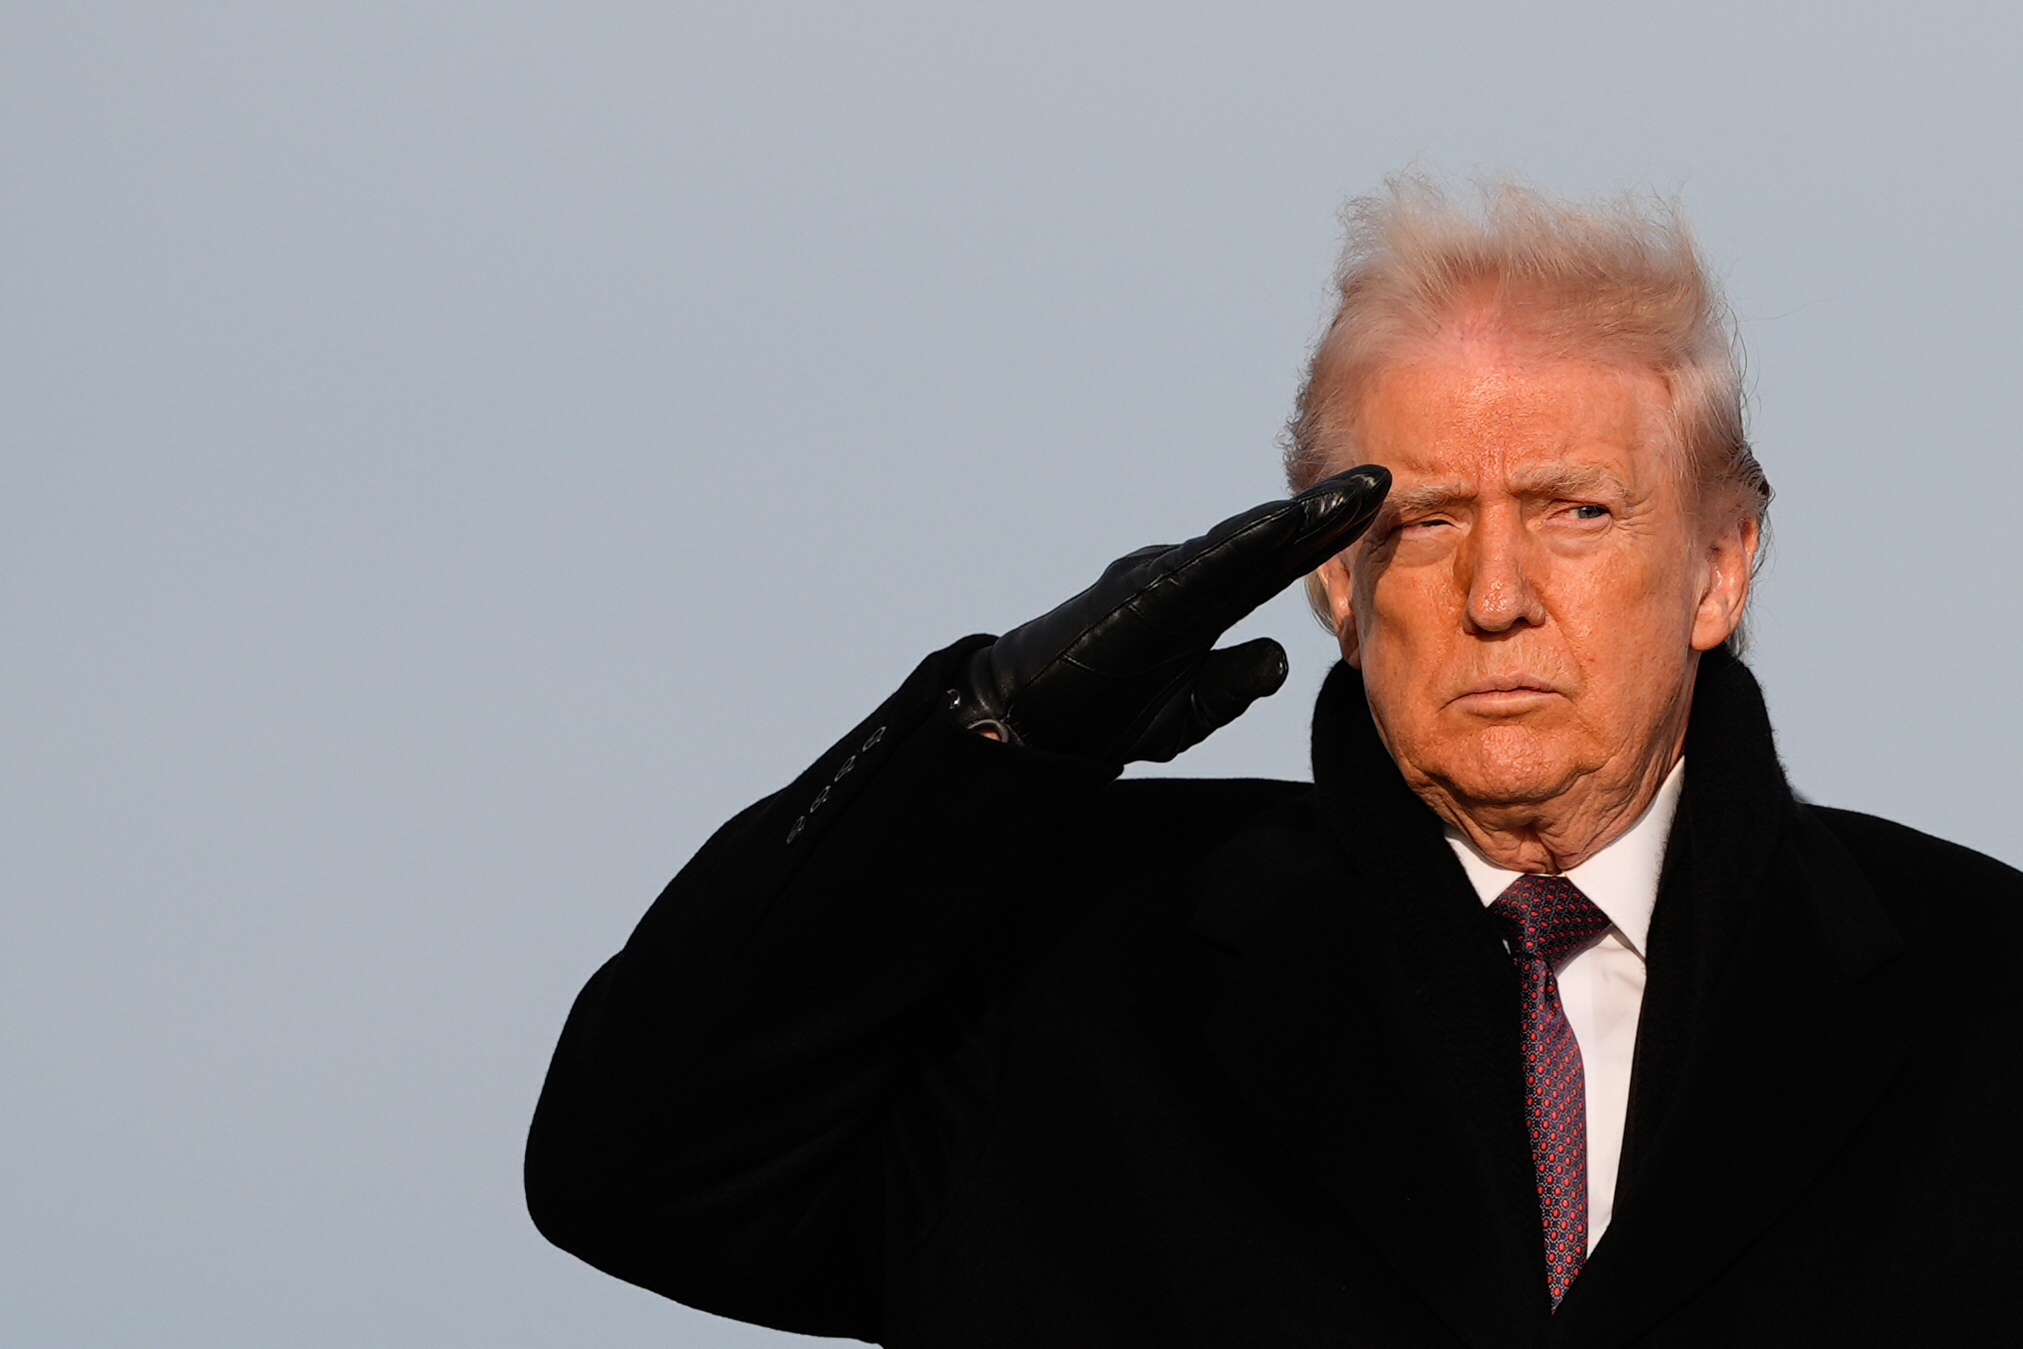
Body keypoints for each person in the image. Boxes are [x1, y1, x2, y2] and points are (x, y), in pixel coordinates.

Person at [525, 178, 2023, 1345]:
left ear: (1723, 559)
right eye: (1423, 520)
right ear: (1328, 581)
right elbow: (633, 1170)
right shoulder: (1068, 974)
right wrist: (985, 745)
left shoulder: (1984, 993)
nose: (1496, 590)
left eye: (1575, 508)